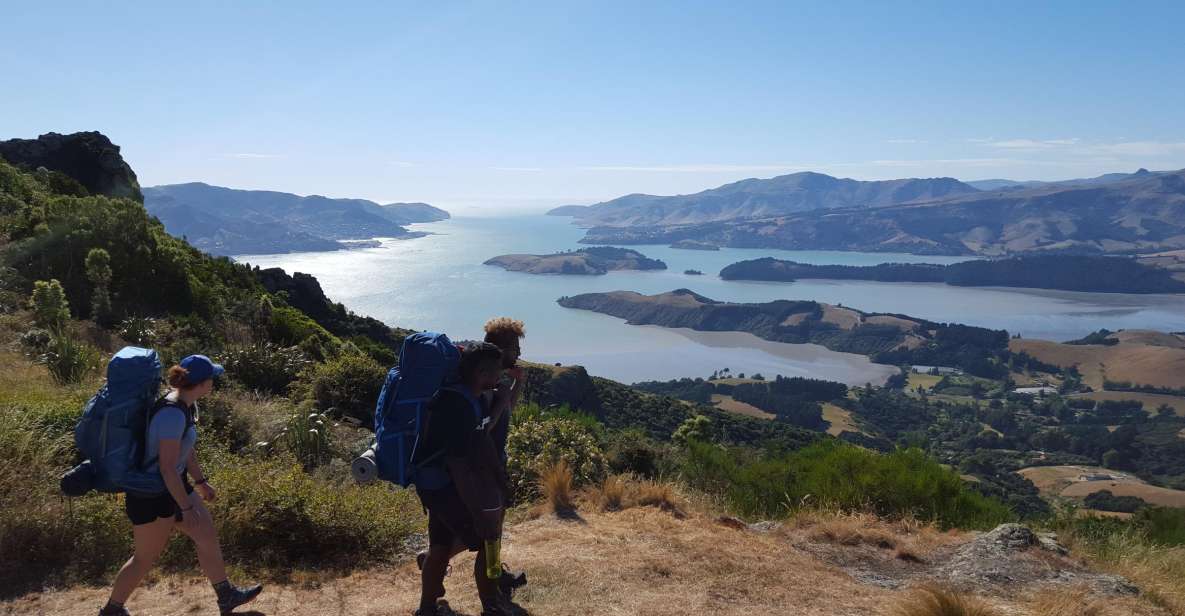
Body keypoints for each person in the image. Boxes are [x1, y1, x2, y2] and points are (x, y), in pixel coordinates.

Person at [98, 355, 262, 616]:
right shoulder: (172, 414)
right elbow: (165, 466)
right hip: (153, 494)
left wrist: (200, 482)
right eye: (212, 379)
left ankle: (226, 596)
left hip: (174, 486)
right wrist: (185, 507)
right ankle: (112, 610)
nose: (214, 383)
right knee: (144, 558)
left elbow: (185, 450)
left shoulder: (185, 405)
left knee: (206, 535)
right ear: (202, 382)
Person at [414, 343, 512, 616]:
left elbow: (482, 440)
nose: (500, 379)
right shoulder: (456, 405)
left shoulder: (475, 397)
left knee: (441, 546)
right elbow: (457, 466)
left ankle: (427, 609)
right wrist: (477, 512)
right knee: (487, 540)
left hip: (437, 483)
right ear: (481, 373)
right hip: (441, 485)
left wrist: (501, 481)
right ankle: (492, 606)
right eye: (496, 373)